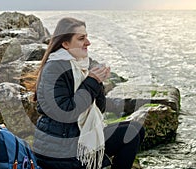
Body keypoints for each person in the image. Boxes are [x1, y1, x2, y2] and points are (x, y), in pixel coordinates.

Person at [32, 17, 145, 169]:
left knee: (135, 129)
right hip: (59, 149)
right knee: (130, 132)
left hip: (77, 136)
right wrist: (91, 81)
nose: (88, 42)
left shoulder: (80, 66)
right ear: (65, 44)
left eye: (87, 37)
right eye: (81, 38)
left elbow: (99, 108)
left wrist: (98, 82)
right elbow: (66, 112)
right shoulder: (54, 68)